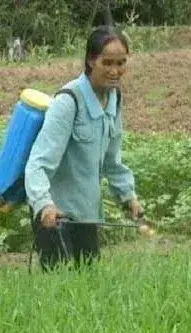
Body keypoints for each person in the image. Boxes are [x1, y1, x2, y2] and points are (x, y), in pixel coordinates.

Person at [24, 25, 143, 271]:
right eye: (107, 63)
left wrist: (128, 197)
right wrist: (45, 205)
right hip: (55, 217)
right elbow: (38, 163)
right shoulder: (68, 102)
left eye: (121, 63)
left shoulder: (114, 98)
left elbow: (112, 160)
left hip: (86, 215)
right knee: (60, 292)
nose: (115, 71)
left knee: (87, 288)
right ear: (90, 60)